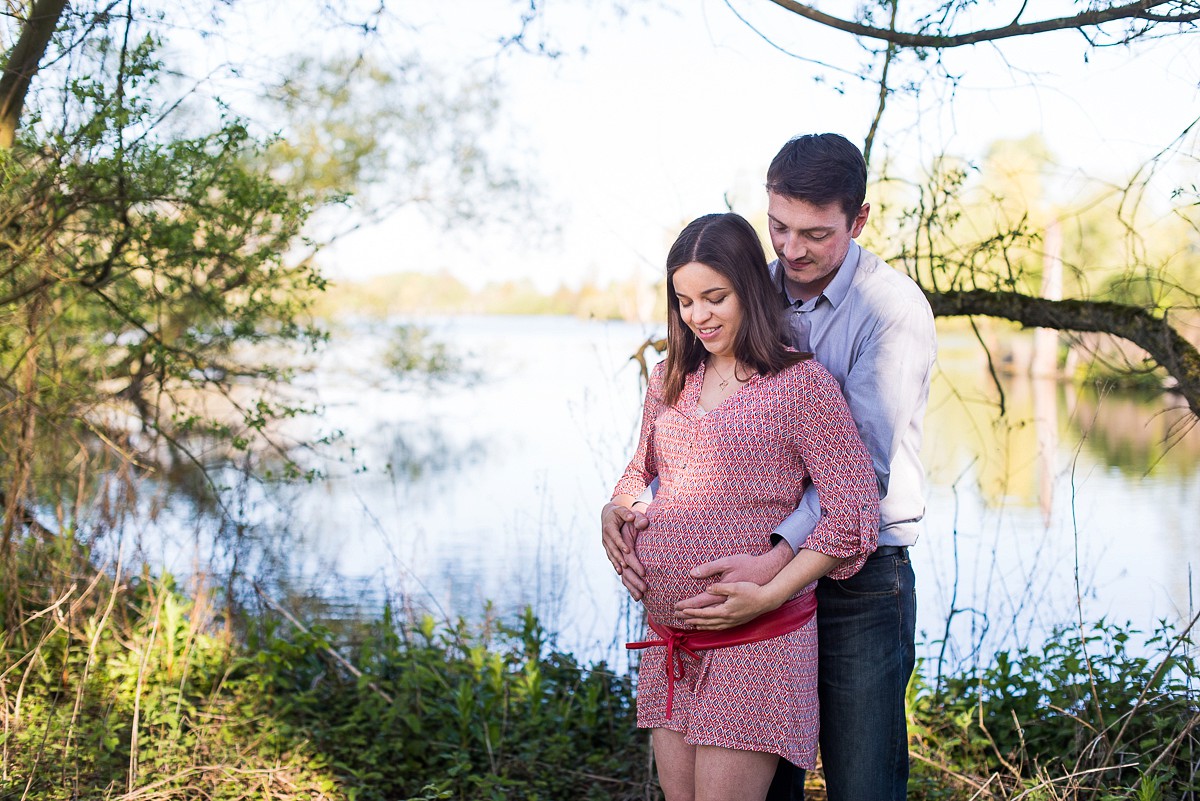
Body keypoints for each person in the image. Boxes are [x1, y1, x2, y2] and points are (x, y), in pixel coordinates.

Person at [602, 133, 936, 801]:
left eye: (814, 232)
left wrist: (775, 562)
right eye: (778, 227)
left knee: (863, 782)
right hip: (722, 615)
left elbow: (859, 483)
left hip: (859, 581)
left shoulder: (889, 313)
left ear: (859, 219)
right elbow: (671, 456)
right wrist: (621, 506)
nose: (791, 248)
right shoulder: (743, 299)